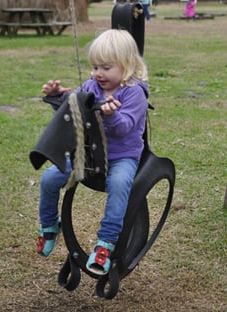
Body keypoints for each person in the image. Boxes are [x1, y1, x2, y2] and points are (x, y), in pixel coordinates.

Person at [36, 29, 149, 276]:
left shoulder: (134, 93)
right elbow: (74, 103)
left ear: (127, 66)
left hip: (123, 157)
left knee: (119, 185)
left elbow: (124, 128)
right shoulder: (92, 85)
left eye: (106, 67)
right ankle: (49, 225)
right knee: (49, 178)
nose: (98, 73)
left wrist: (112, 115)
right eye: (95, 66)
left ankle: (106, 244)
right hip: (87, 155)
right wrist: (57, 97)